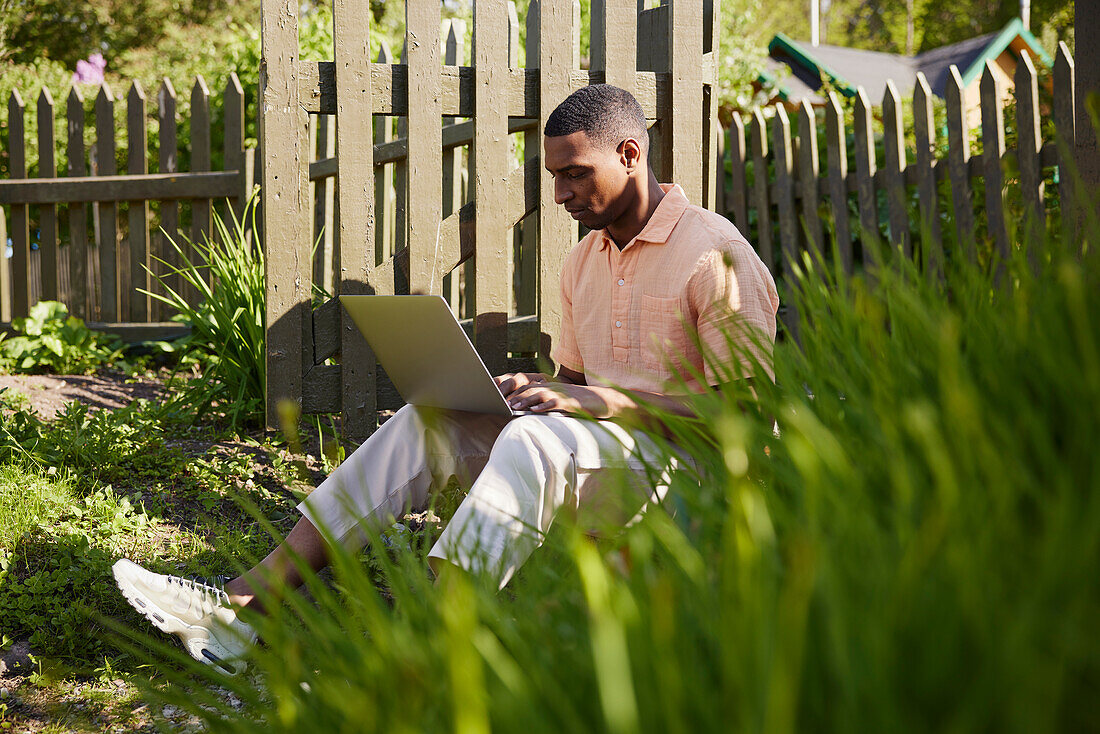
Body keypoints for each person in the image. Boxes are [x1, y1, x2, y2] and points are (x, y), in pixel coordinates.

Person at [111, 84, 779, 674]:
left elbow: (746, 425)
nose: (562, 194)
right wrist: (527, 394)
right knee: (427, 418)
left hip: (688, 478)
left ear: (632, 155)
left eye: (576, 173)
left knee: (530, 445)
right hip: (596, 457)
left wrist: (594, 399)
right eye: (554, 176)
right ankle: (243, 607)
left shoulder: (715, 256)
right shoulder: (583, 262)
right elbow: (571, 389)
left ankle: (434, 651)